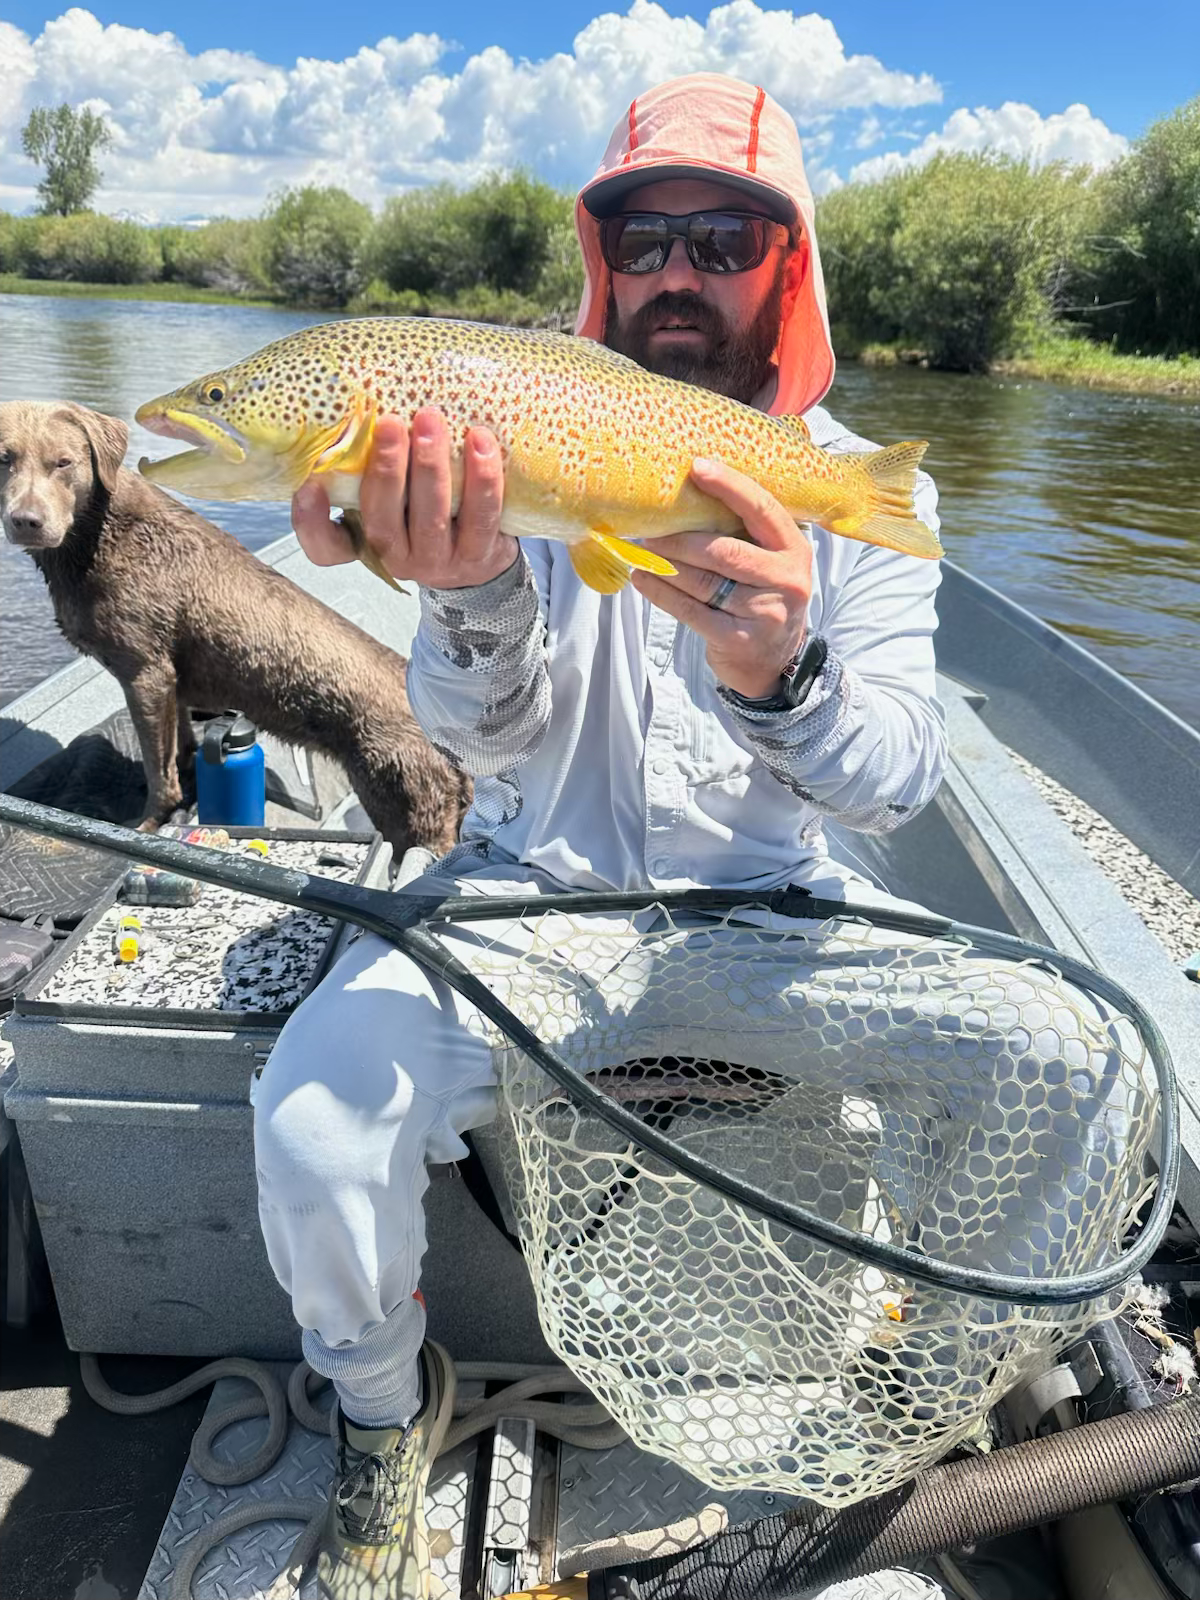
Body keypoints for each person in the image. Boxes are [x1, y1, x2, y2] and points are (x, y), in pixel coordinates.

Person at [264, 72, 950, 1598]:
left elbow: (897, 784)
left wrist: (787, 676)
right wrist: (465, 588)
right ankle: (383, 1415)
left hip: (778, 917)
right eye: (646, 241)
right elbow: (475, 744)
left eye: (724, 238)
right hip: (533, 897)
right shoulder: (513, 427)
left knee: (1068, 1073)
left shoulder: (858, 495)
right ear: (602, 258)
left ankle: (922, 1392)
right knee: (312, 1116)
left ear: (789, 266)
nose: (679, 273)